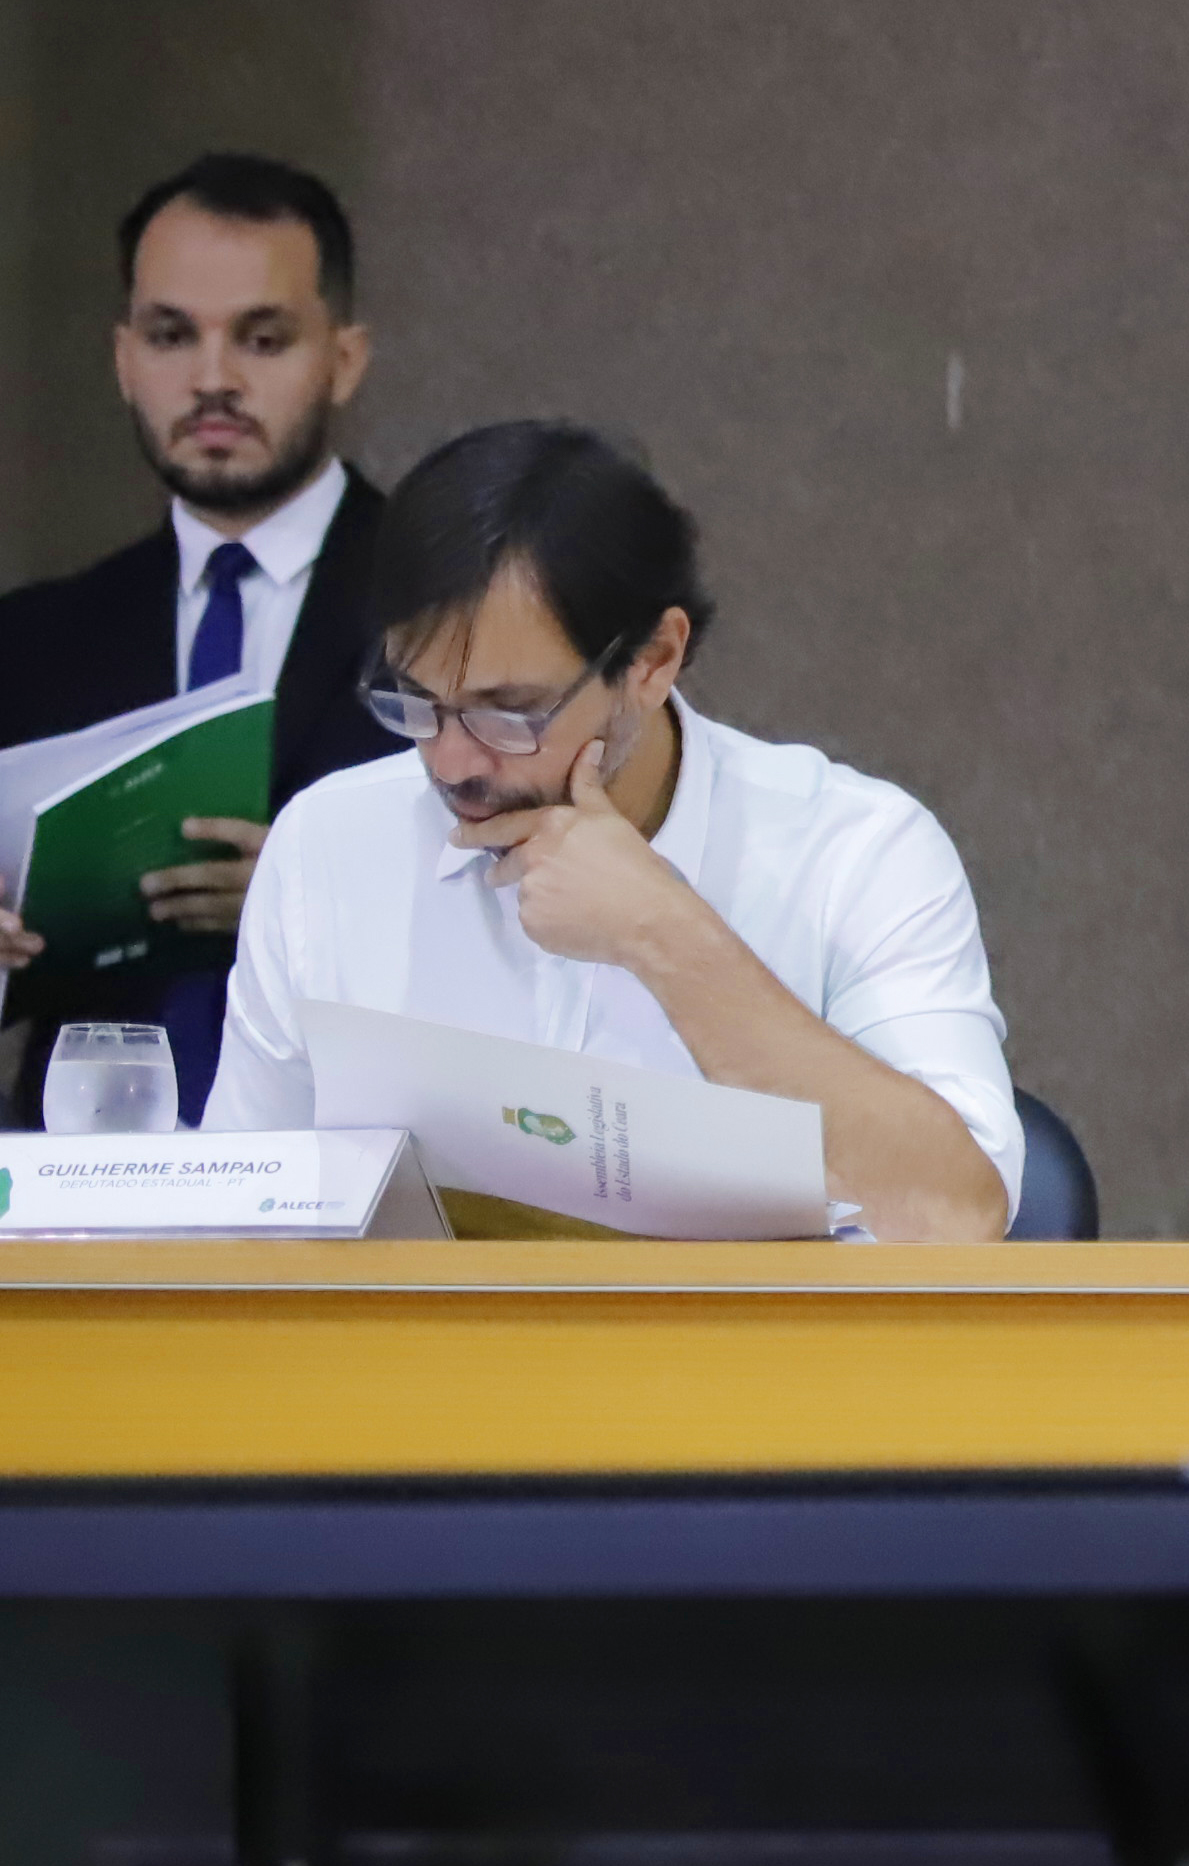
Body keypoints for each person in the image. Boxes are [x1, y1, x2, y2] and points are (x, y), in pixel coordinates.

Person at [204, 422, 1023, 1243]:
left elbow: (955, 1216)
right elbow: (230, 1234)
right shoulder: (328, 847)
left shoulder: (857, 854)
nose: (451, 763)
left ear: (654, 660)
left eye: (510, 711)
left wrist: (663, 935)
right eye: (415, 701)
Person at [0, 156, 409, 1121]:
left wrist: (310, 907)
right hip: (79, 1199)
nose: (213, 379)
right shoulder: (30, 640)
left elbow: (545, 929)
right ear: (123, 359)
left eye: (262, 339)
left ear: (343, 359)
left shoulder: (457, 611)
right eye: (172, 335)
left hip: (362, 1177)